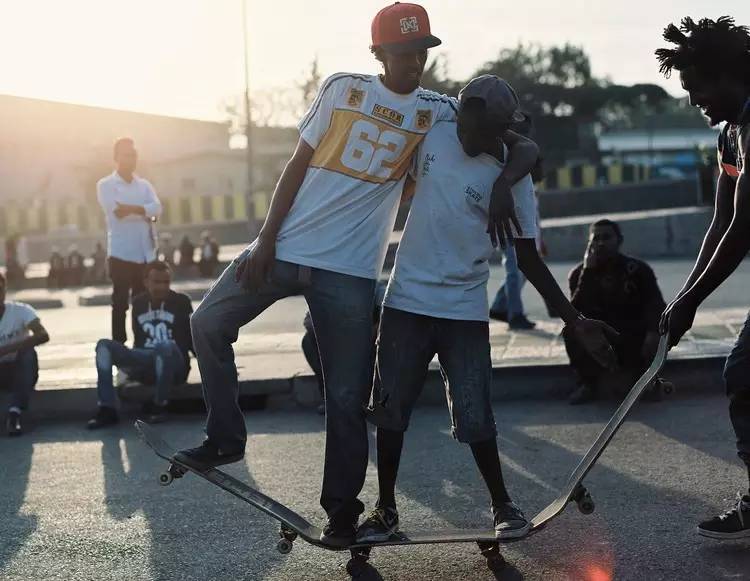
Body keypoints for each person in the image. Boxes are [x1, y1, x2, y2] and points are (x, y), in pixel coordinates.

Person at [175, 2, 538, 548]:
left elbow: (523, 142)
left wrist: (508, 179)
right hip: (290, 247)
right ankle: (225, 436)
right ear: (378, 54)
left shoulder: (437, 110)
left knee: (347, 396)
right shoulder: (342, 89)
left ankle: (342, 512)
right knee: (207, 323)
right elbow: (296, 164)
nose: (413, 62)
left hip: (349, 270)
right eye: (402, 53)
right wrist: (266, 239)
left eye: (421, 52)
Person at [358, 76, 618, 542]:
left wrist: (573, 320)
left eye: (506, 131)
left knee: (477, 416)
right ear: (468, 114)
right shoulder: (435, 126)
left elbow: (528, 259)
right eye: (494, 127)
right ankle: (385, 509)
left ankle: (503, 505)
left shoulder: (513, 178)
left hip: (463, 308)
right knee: (390, 410)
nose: (501, 137)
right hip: (406, 301)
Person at [656, 16, 750, 539]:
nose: (696, 102)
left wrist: (691, 304)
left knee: (743, 372)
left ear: (728, 74)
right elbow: (720, 220)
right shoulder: (731, 134)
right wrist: (681, 297)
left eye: (699, 89)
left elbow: (743, 228)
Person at [565, 219, 667, 404]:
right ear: (589, 243)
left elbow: (656, 306)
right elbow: (575, 313)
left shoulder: (638, 270)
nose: (601, 243)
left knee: (657, 331)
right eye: (596, 239)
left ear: (619, 240)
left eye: (607, 237)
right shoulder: (579, 273)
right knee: (571, 331)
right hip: (601, 341)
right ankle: (587, 384)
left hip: (632, 336)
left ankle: (648, 381)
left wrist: (653, 333)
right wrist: (587, 273)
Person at [87, 261, 193, 428]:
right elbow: (139, 339)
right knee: (103, 346)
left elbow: (192, 338)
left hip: (174, 363)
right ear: (146, 282)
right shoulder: (138, 302)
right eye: (157, 282)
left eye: (166, 282)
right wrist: (127, 370)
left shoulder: (181, 301)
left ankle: (159, 406)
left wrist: (212, 366)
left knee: (164, 346)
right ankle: (107, 409)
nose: (162, 287)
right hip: (146, 361)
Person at [97, 137, 162, 344]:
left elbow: (157, 209)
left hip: (145, 254)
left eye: (134, 155)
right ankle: (119, 347)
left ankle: (142, 344)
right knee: (120, 303)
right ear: (116, 157)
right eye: (127, 154)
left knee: (142, 303)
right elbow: (115, 212)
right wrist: (144, 210)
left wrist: (131, 209)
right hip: (120, 254)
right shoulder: (105, 185)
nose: (132, 159)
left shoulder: (144, 185)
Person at [0, 272, 50, 435]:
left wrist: (8, 348)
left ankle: (14, 414)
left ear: (5, 291)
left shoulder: (20, 311)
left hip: (21, 371)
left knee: (29, 352)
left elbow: (43, 335)